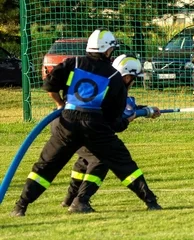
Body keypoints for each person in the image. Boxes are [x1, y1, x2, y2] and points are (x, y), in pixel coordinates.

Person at [10, 29, 162, 217]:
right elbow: (113, 120)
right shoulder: (114, 77)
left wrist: (60, 104)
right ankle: (151, 201)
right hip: (94, 126)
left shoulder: (72, 62)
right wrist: (125, 121)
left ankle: (20, 206)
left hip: (66, 123)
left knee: (46, 166)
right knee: (122, 162)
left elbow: (49, 85)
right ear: (107, 51)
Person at [60, 55, 162, 213]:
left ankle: (70, 199)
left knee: (85, 160)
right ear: (127, 77)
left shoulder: (105, 82)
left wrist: (146, 110)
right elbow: (117, 122)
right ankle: (150, 200)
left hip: (69, 128)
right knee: (113, 161)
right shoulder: (116, 89)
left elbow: (123, 107)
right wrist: (130, 119)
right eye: (133, 78)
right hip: (89, 129)